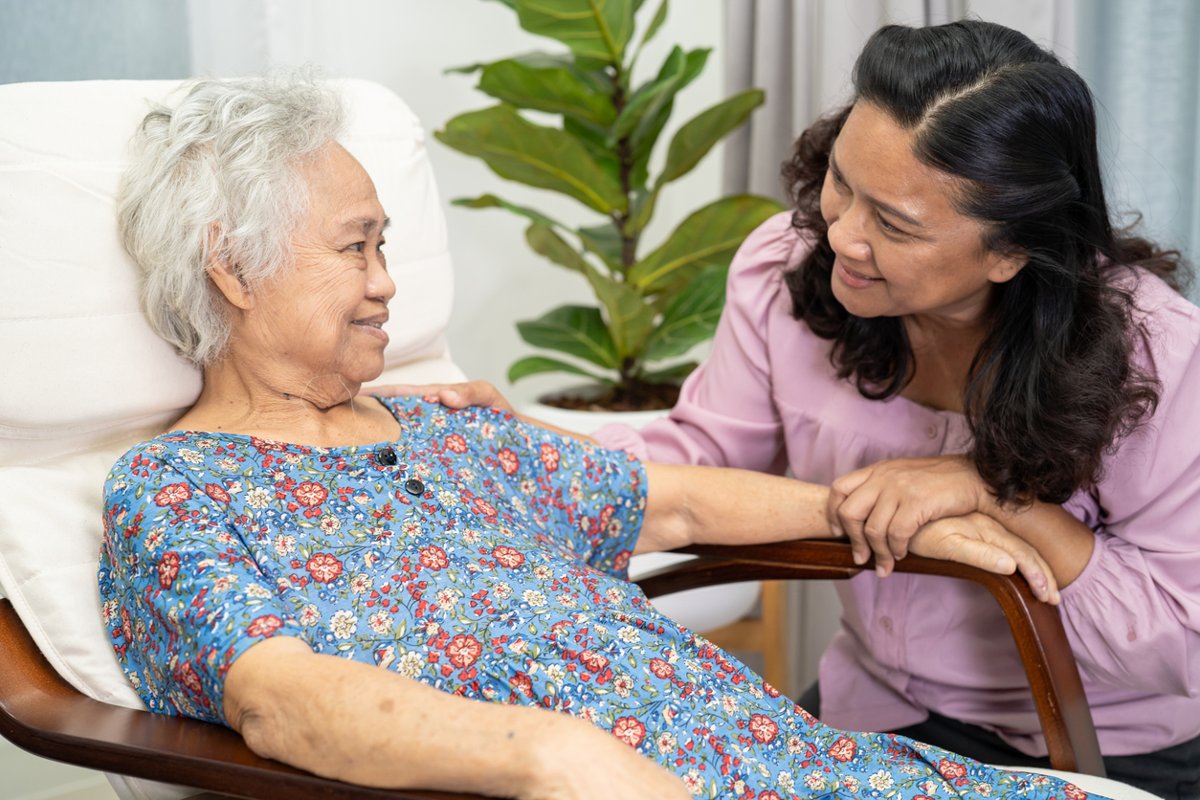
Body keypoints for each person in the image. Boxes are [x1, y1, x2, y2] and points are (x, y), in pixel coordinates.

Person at [96, 74, 1107, 800]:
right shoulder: (181, 485)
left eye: (386, 246)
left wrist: (911, 510)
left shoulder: (445, 430)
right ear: (231, 267)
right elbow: (284, 700)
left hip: (791, 765)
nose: (385, 281)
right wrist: (557, 755)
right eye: (356, 247)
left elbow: (679, 497)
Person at [395, 20, 1200, 799]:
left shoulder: (1159, 358)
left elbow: (1180, 641)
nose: (843, 235)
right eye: (844, 183)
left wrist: (994, 491)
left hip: (1109, 742)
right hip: (879, 715)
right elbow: (706, 457)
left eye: (894, 224)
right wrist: (527, 444)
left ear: (1011, 250)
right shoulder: (789, 265)